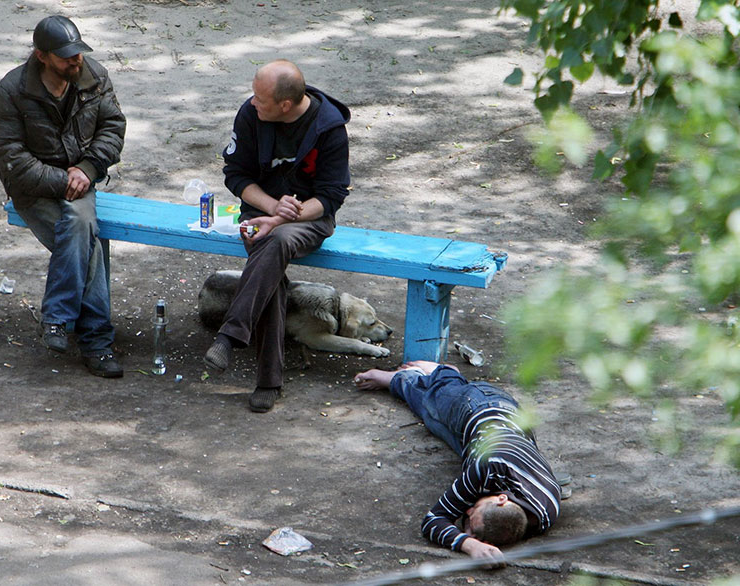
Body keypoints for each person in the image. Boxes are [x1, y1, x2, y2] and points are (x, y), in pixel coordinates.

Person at [203, 60, 351, 412]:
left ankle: (231, 334)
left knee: (278, 240)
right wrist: (271, 209)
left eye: (260, 98)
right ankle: (268, 381)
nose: (252, 102)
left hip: (309, 218)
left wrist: (287, 216)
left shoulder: (329, 128)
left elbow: (331, 196)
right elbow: (236, 175)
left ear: (285, 105)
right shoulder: (251, 114)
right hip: (260, 212)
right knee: (270, 258)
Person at [0, 15, 126, 377]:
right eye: (66, 56)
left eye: (78, 52)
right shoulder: (13, 90)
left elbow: (113, 128)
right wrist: (63, 179)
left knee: (81, 226)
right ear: (42, 56)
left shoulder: (94, 77)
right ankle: (97, 343)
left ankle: (57, 318)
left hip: (81, 179)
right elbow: (12, 158)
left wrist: (88, 168)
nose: (76, 60)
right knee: (86, 242)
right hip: (33, 189)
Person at [354, 361, 561, 564]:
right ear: (501, 499)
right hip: (481, 405)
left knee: (430, 417)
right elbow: (433, 519)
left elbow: (447, 522)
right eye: (474, 510)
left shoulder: (544, 515)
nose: (467, 511)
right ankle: (442, 372)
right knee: (437, 397)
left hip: (482, 437)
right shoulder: (487, 468)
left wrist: (473, 539)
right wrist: (469, 545)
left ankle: (407, 379)